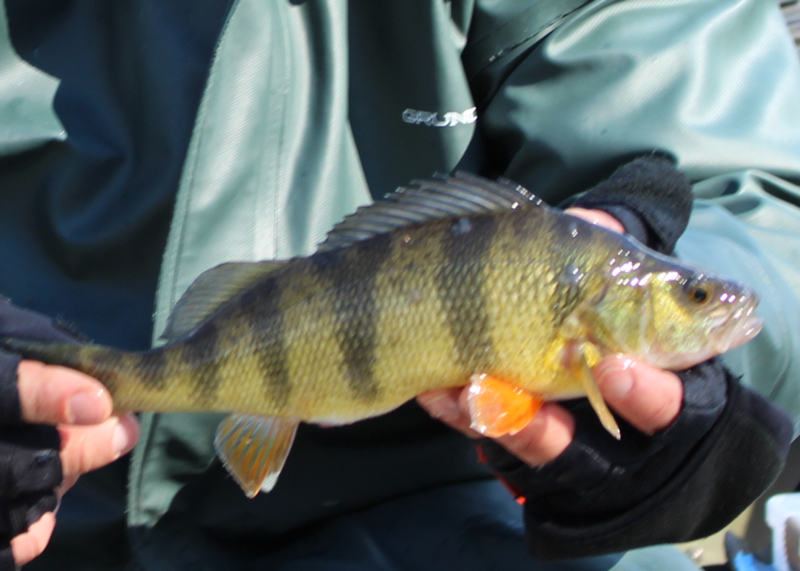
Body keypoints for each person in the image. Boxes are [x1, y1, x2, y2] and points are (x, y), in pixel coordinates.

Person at [0, 0, 798, 570]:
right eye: (695, 295)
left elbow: (759, 198)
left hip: (450, 518)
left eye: (690, 294)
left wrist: (718, 395)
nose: (712, 301)